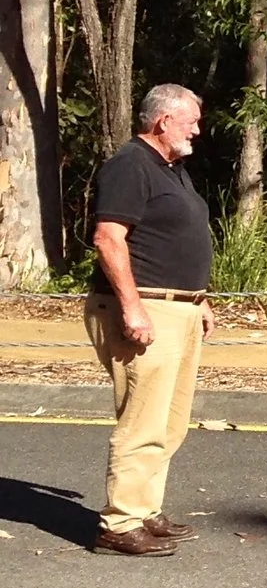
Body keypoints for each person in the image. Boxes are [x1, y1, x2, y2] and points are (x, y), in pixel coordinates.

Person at [84, 83, 214, 557]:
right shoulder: (129, 166)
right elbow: (108, 238)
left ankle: (145, 509)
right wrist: (132, 306)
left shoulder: (172, 170)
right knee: (142, 418)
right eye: (191, 121)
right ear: (163, 122)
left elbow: (173, 238)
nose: (198, 130)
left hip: (178, 306)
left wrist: (198, 299)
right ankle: (119, 523)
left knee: (170, 420)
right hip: (145, 308)